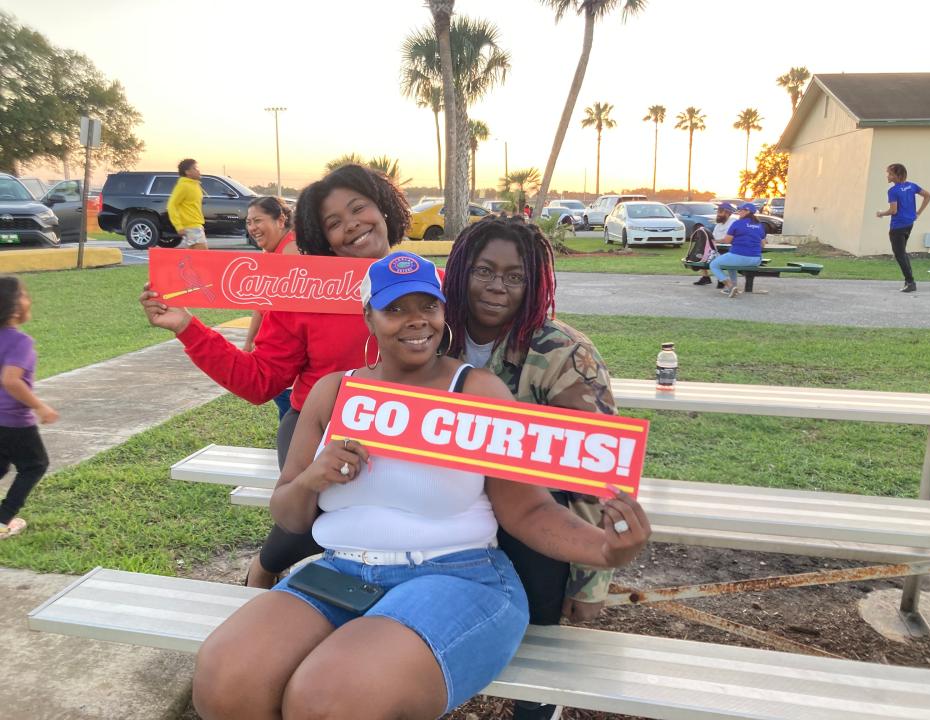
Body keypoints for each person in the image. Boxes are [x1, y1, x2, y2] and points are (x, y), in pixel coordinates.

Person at [191, 251, 651, 720]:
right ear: (368, 317)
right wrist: (312, 479)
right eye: (395, 309)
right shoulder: (334, 392)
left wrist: (604, 550)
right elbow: (288, 514)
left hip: (457, 574)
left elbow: (527, 510)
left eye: (427, 307)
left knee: (330, 699)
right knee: (224, 680)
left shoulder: (475, 390)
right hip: (341, 571)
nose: (416, 322)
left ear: (442, 312)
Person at [140, 164, 409, 587]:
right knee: (312, 513)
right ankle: (263, 570)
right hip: (311, 426)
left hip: (405, 429)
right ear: (322, 236)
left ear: (386, 208)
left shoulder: (425, 283)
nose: (352, 224)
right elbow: (259, 382)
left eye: (360, 208)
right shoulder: (304, 293)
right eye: (334, 222)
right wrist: (187, 327)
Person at [443, 216, 620, 720]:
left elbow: (593, 474)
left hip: (533, 513)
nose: (497, 287)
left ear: (534, 282)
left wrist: (591, 581)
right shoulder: (431, 333)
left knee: (540, 612)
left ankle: (539, 703)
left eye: (515, 276)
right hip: (450, 510)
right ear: (460, 271)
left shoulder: (562, 351)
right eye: (483, 270)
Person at [0, 275, 58, 539]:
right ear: (13, 308)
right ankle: (3, 520)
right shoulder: (20, 342)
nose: (28, 299)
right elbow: (11, 380)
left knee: (1, 466)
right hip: (14, 421)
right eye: (23, 294)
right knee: (34, 465)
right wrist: (40, 407)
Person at [242, 196, 300, 420]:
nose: (252, 228)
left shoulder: (292, 250)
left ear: (280, 220)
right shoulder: (270, 252)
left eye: (257, 220)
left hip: (288, 358)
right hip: (276, 354)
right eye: (248, 222)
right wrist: (249, 342)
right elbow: (261, 304)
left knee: (292, 421)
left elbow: (293, 312)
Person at [876, 163, 930, 293]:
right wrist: (918, 213)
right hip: (909, 224)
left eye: (890, 174)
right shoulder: (912, 186)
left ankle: (911, 282)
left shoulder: (893, 191)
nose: (888, 176)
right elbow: (928, 196)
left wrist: (881, 214)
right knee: (902, 253)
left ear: (898, 175)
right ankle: (909, 281)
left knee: (900, 254)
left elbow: (893, 210)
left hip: (898, 226)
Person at [709, 202, 767, 298]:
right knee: (731, 264)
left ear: (747, 211)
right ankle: (732, 287)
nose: (739, 212)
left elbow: (727, 240)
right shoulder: (759, 225)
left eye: (741, 210)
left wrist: (715, 241)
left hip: (739, 256)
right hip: (756, 260)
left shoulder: (737, 223)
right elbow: (763, 244)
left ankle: (730, 286)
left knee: (714, 265)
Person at [693, 201, 737, 286]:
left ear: (728, 213)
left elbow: (727, 240)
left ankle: (721, 280)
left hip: (728, 250)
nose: (718, 214)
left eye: (720, 211)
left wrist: (714, 241)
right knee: (699, 252)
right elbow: (713, 237)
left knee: (704, 255)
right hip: (717, 248)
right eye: (718, 211)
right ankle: (706, 277)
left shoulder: (733, 223)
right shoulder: (719, 224)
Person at [167, 159, 208, 250]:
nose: (198, 170)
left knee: (193, 259)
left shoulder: (195, 185)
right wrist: (178, 226)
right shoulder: (183, 186)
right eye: (194, 168)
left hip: (196, 225)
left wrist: (200, 226)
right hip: (190, 226)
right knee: (203, 257)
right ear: (187, 172)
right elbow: (171, 205)